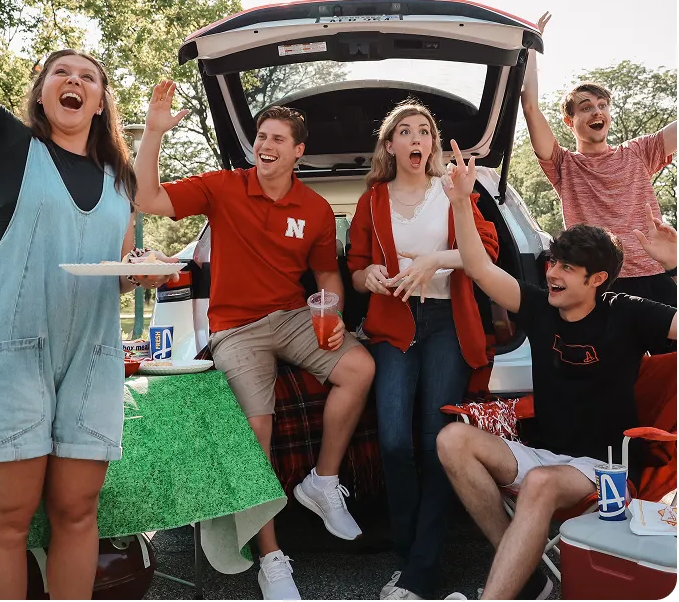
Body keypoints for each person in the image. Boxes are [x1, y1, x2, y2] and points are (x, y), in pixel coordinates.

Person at [0, 16, 167, 600]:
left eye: (89, 76)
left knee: (79, 513)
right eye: (61, 71)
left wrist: (137, 273)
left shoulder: (120, 179)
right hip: (12, 355)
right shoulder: (8, 144)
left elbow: (113, 275)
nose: (74, 80)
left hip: (93, 358)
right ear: (41, 91)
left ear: (100, 101)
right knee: (7, 523)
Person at [133, 81, 375, 601]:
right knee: (257, 434)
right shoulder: (223, 186)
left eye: (277, 139)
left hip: (292, 316)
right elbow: (147, 198)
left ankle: (322, 482)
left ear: (298, 151)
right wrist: (152, 133)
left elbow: (326, 276)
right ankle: (270, 555)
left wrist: (331, 313)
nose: (265, 146)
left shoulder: (312, 209)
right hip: (236, 327)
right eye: (261, 136)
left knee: (360, 368)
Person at [437, 139, 677, 601]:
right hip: (544, 454)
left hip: (603, 468)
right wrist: (461, 202)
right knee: (452, 439)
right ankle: (525, 570)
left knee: (543, 485)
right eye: (553, 262)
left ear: (598, 280)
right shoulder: (542, 306)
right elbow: (479, 269)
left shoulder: (626, 311)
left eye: (568, 268)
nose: (552, 273)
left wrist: (676, 266)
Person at [347, 101, 499, 601]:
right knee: (393, 441)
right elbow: (357, 265)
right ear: (390, 145)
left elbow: (489, 252)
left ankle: (421, 567)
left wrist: (437, 257)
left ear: (432, 144)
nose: (417, 139)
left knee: (438, 442)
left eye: (425, 131)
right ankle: (413, 550)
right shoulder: (371, 199)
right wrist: (365, 277)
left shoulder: (452, 191)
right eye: (405, 131)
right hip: (393, 325)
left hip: (446, 325)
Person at [520, 11, 677, 305]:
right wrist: (531, 46)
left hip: (654, 276)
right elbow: (529, 106)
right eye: (586, 107)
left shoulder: (639, 151)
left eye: (602, 105)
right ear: (570, 121)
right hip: (600, 284)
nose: (597, 112)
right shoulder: (563, 164)